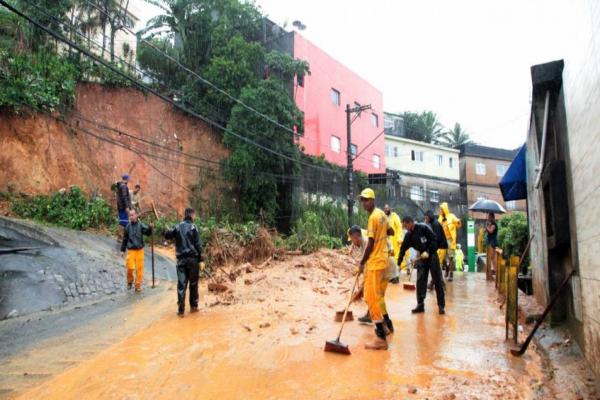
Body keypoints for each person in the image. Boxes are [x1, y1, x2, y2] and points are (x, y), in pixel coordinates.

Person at [357, 188, 391, 350]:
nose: (364, 203)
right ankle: (383, 326)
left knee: (370, 297)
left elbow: (370, 243)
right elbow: (390, 230)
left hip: (375, 261)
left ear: (373, 200)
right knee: (374, 295)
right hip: (383, 259)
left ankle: (380, 338)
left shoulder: (373, 217)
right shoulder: (382, 215)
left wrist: (362, 262)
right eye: (362, 200)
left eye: (366, 199)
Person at [348, 225, 396, 334]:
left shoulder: (366, 243)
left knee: (376, 296)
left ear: (355, 236)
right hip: (384, 266)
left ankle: (386, 325)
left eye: (351, 239)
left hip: (384, 268)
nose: (352, 242)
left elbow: (369, 264)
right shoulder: (363, 241)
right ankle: (381, 321)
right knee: (376, 296)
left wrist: (362, 273)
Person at [398, 215, 446, 315]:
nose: (405, 228)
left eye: (405, 226)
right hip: (421, 257)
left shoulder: (424, 228)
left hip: (432, 255)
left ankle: (441, 306)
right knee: (420, 281)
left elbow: (435, 241)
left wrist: (428, 251)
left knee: (437, 280)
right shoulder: (408, 235)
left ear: (410, 223)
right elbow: (403, 249)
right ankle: (420, 305)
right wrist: (399, 263)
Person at [164, 207, 203, 318]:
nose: (195, 217)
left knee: (181, 285)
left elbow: (167, 234)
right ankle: (194, 307)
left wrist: (165, 230)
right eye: (194, 215)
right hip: (192, 260)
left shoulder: (177, 226)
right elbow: (198, 245)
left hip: (181, 260)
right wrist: (202, 259)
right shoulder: (194, 227)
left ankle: (181, 311)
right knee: (193, 284)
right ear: (191, 215)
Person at [120, 209, 153, 292]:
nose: (131, 217)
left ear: (136, 215)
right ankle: (130, 281)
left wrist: (150, 228)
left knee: (139, 269)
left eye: (132, 215)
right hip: (131, 250)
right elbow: (125, 239)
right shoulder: (127, 227)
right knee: (130, 268)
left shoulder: (141, 225)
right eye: (130, 215)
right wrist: (122, 250)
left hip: (139, 251)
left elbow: (148, 233)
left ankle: (138, 286)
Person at [424, 210, 447, 291]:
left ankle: (438, 283)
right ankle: (435, 283)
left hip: (438, 247)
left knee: (435, 266)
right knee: (435, 266)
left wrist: (430, 250)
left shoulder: (435, 224)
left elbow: (436, 239)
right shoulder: (432, 223)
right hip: (435, 247)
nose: (425, 219)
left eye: (426, 218)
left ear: (429, 217)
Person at [438, 202, 461, 282]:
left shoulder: (451, 216)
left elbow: (458, 224)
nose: (440, 210)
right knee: (442, 258)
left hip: (450, 240)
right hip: (442, 240)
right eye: (440, 209)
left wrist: (458, 222)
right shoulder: (440, 218)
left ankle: (451, 273)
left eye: (441, 209)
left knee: (451, 258)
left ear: (445, 209)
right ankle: (446, 268)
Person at [383, 204, 402, 284]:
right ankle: (392, 276)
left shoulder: (395, 216)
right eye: (385, 208)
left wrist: (399, 238)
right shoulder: (383, 217)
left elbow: (399, 227)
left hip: (394, 241)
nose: (386, 209)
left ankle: (396, 277)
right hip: (386, 240)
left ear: (390, 209)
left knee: (394, 259)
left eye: (387, 208)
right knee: (389, 259)